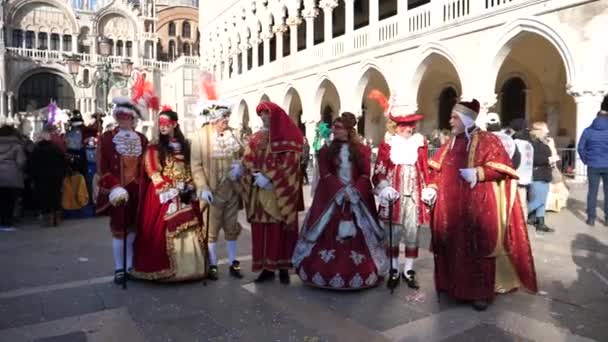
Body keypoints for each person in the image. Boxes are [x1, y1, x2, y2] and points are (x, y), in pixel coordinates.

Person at [422, 99, 537, 311]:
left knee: (479, 248)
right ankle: (452, 287)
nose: (450, 121)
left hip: (478, 206)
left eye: (454, 117)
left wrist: (479, 173)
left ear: (466, 119)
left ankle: (478, 294)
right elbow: (436, 170)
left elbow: (505, 169)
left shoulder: (488, 139)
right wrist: (431, 187)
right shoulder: (451, 142)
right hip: (449, 207)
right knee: (451, 246)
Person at [292, 113, 388, 290]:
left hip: (355, 199)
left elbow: (365, 174)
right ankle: (321, 271)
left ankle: (361, 272)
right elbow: (326, 174)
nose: (334, 131)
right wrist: (340, 191)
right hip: (333, 199)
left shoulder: (362, 151)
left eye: (338, 128)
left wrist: (354, 191)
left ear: (348, 131)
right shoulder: (326, 151)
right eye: (334, 127)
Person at [132, 106, 206, 281]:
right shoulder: (155, 147)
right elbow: (152, 170)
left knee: (190, 224)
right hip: (164, 193)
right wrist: (169, 189)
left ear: (175, 124)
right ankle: (169, 270)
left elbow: (191, 167)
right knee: (165, 226)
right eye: (161, 124)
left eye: (166, 123)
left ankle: (192, 268)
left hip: (185, 190)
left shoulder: (185, 145)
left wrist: (189, 185)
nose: (163, 127)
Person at [368, 90, 430, 289]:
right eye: (404, 124)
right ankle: (394, 268)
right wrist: (383, 187)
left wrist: (430, 188)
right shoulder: (387, 145)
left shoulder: (420, 143)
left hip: (414, 197)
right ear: (396, 126)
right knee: (392, 233)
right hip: (394, 198)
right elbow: (378, 172)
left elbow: (426, 169)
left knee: (413, 233)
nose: (408, 128)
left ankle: (409, 269)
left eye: (411, 124)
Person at [241, 101, 304, 284]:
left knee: (281, 229)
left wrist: (270, 177)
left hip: (279, 192)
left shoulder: (290, 136)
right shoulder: (255, 138)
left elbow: (291, 165)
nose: (263, 117)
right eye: (261, 114)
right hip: (259, 192)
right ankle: (266, 268)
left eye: (266, 113)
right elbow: (248, 159)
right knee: (262, 230)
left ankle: (283, 266)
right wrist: (249, 171)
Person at [191, 93, 245, 280]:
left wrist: (240, 168)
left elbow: (245, 156)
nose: (226, 120)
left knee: (232, 228)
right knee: (211, 231)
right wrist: (202, 187)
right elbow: (196, 166)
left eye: (227, 117)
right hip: (212, 192)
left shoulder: (234, 135)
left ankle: (233, 262)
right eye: (223, 117)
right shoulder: (199, 137)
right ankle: (212, 264)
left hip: (232, 190)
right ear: (214, 118)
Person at [96, 97, 150, 285]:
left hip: (138, 192)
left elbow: (147, 166)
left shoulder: (142, 139)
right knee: (119, 230)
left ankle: (130, 266)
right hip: (118, 191)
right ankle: (119, 268)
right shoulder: (107, 138)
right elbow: (102, 168)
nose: (124, 120)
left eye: (127, 117)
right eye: (120, 116)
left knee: (134, 230)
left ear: (133, 119)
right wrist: (114, 186)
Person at [577, 96, 608, 226]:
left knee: (592, 192)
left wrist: (586, 160)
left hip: (593, 165)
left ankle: (591, 218)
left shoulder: (588, 131)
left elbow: (580, 148)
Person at [29, 125, 68, 227]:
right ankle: (57, 216)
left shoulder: (36, 150)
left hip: (41, 177)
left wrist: (32, 176)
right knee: (56, 195)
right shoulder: (56, 149)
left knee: (45, 196)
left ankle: (49, 217)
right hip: (56, 176)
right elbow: (64, 162)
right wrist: (64, 174)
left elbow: (32, 164)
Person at [527, 122, 554, 233]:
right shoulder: (532, 144)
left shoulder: (544, 143)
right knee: (538, 201)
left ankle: (540, 223)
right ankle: (518, 215)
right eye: (546, 129)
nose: (548, 131)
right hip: (538, 175)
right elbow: (534, 159)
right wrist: (548, 160)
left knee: (542, 202)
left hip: (545, 175)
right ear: (539, 131)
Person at [0, 125, 26, 230]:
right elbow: (21, 162)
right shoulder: (17, 146)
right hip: (12, 177)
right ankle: (7, 223)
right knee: (10, 201)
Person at [510, 119, 534, 221]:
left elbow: (513, 159)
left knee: (513, 204)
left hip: (515, 177)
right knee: (523, 203)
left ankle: (515, 225)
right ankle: (523, 224)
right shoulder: (529, 143)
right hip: (526, 177)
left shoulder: (515, 142)